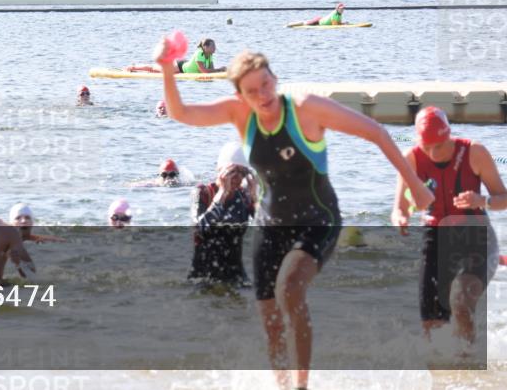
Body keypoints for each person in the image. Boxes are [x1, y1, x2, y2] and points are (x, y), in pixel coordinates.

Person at [155, 44, 433, 390]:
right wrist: (167, 68)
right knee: (270, 318)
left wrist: (414, 186)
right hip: (271, 226)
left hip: (318, 220)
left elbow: (375, 132)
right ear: (240, 95)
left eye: (266, 84)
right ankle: (283, 384)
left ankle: (301, 385)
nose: (263, 95)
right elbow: (181, 112)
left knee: (289, 288)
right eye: (252, 91)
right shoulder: (238, 113)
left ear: (275, 78)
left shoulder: (305, 109)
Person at [391, 107, 505, 344]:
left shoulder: (475, 152)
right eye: (427, 147)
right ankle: (443, 367)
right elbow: (400, 208)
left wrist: (482, 200)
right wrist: (401, 218)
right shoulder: (411, 159)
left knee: (460, 301)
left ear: (448, 136)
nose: (433, 153)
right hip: (436, 237)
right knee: (431, 320)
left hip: (476, 237)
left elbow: (503, 198)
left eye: (439, 146)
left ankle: (467, 359)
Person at [189, 141, 257, 287]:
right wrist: (221, 195)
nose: (237, 177)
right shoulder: (203, 192)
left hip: (237, 277)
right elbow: (199, 229)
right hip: (203, 277)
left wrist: (255, 199)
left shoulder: (244, 197)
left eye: (242, 172)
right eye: (232, 171)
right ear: (220, 170)